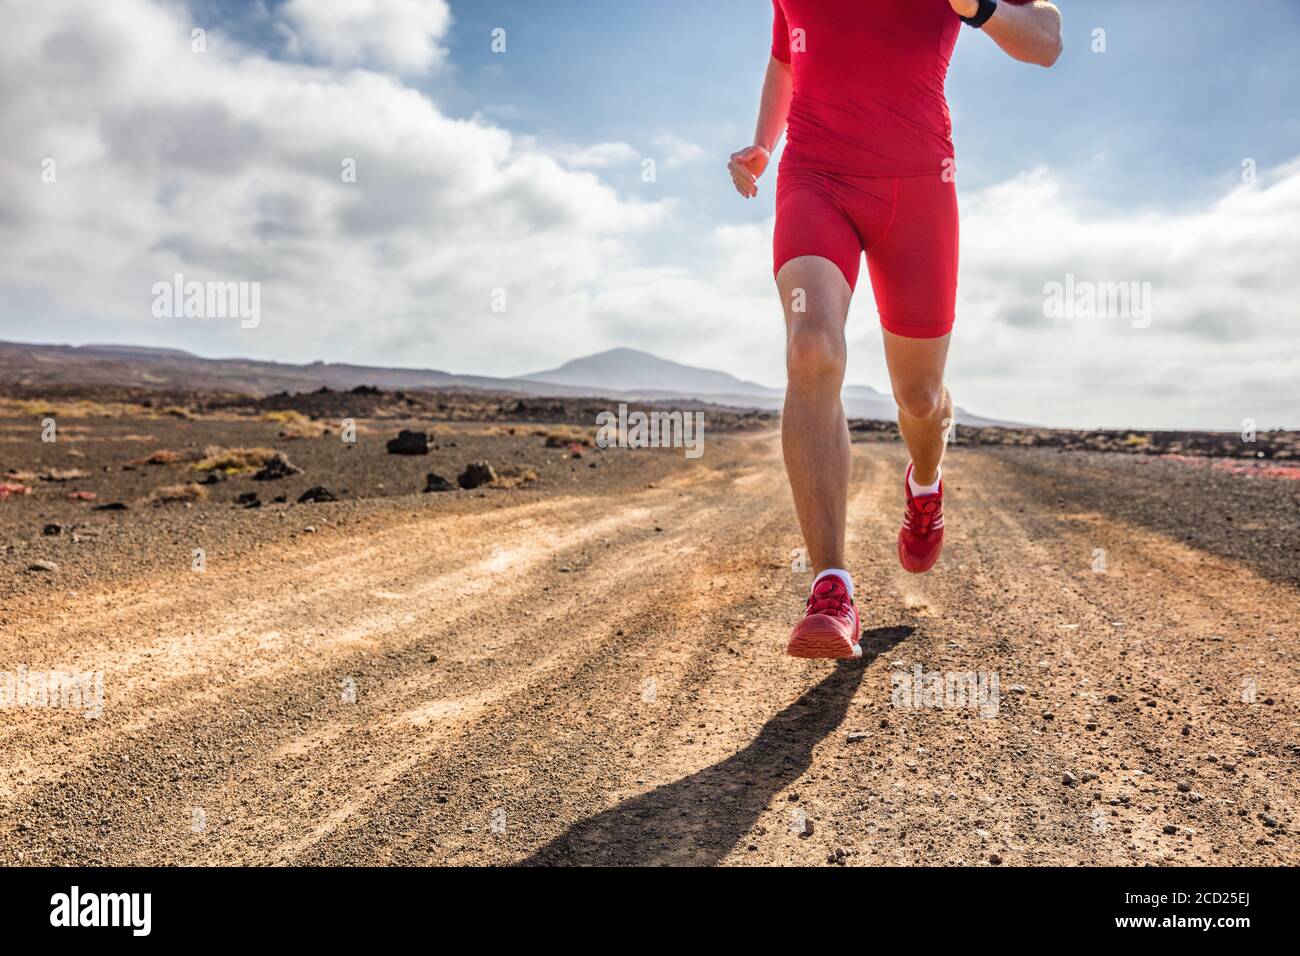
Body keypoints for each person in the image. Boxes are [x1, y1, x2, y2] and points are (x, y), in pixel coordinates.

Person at [728, 0, 1062, 660]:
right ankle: (831, 587)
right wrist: (766, 141)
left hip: (919, 187)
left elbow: (1046, 40)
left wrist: (981, 7)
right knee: (810, 345)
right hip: (815, 176)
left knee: (919, 396)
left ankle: (926, 484)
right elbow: (786, 55)